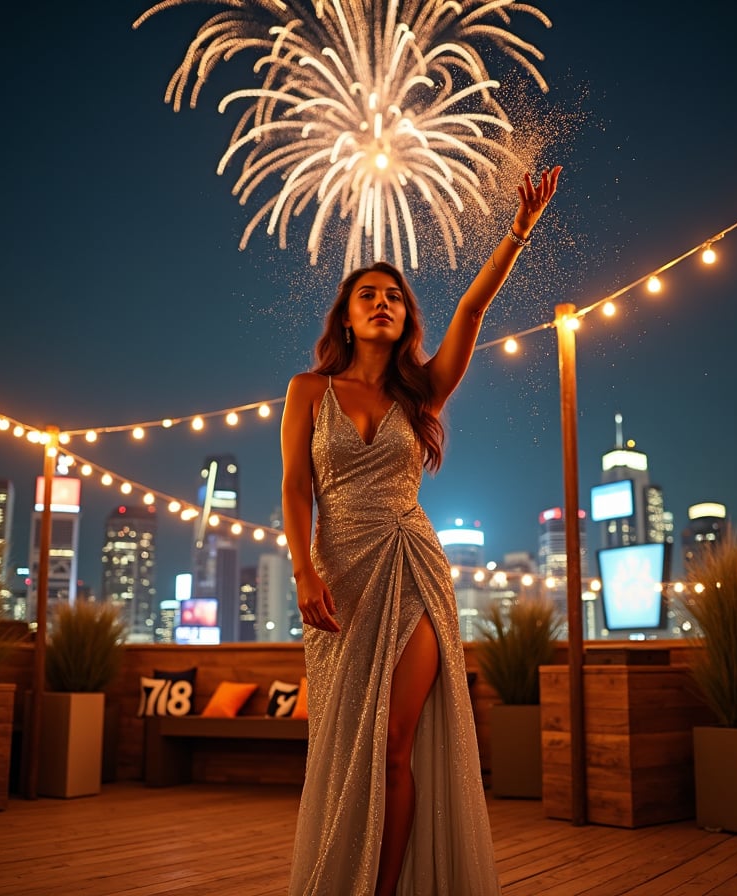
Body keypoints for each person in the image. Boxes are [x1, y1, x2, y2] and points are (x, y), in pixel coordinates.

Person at [281, 166, 561, 896]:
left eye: (394, 297)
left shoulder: (422, 390)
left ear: (407, 318)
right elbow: (293, 486)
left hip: (413, 568)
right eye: (367, 296)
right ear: (346, 317)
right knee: (346, 747)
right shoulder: (307, 392)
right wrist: (305, 572)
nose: (382, 303)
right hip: (338, 578)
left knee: (395, 745)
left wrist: (518, 231)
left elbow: (470, 310)